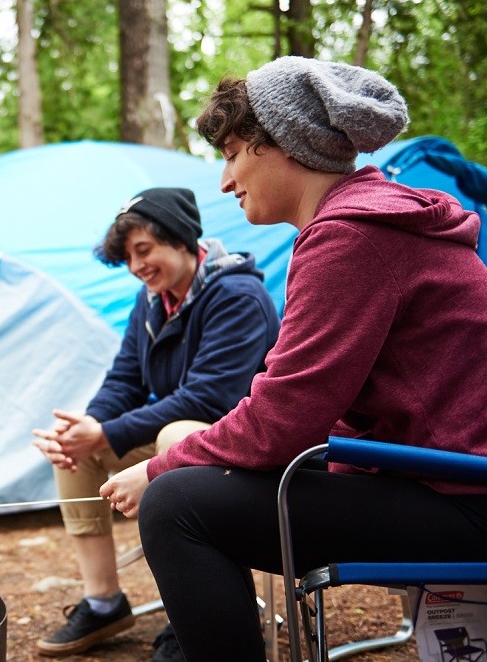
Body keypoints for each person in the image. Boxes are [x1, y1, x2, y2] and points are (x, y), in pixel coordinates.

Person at [99, 56, 487, 661]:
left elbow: (286, 417)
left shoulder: (353, 236)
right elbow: (299, 401)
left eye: (232, 154)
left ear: (282, 143)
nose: (226, 181)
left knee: (176, 505)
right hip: (426, 477)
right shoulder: (363, 222)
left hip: (461, 499)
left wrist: (155, 471)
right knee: (186, 453)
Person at [32, 187, 280, 659]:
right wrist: (88, 427)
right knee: (73, 452)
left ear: (182, 238)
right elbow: (124, 378)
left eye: (143, 250)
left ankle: (195, 611)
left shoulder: (237, 295)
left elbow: (210, 398)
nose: (136, 266)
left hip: (241, 449)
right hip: (185, 444)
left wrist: (109, 433)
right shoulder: (151, 302)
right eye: (128, 257)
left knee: (170, 435)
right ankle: (104, 602)